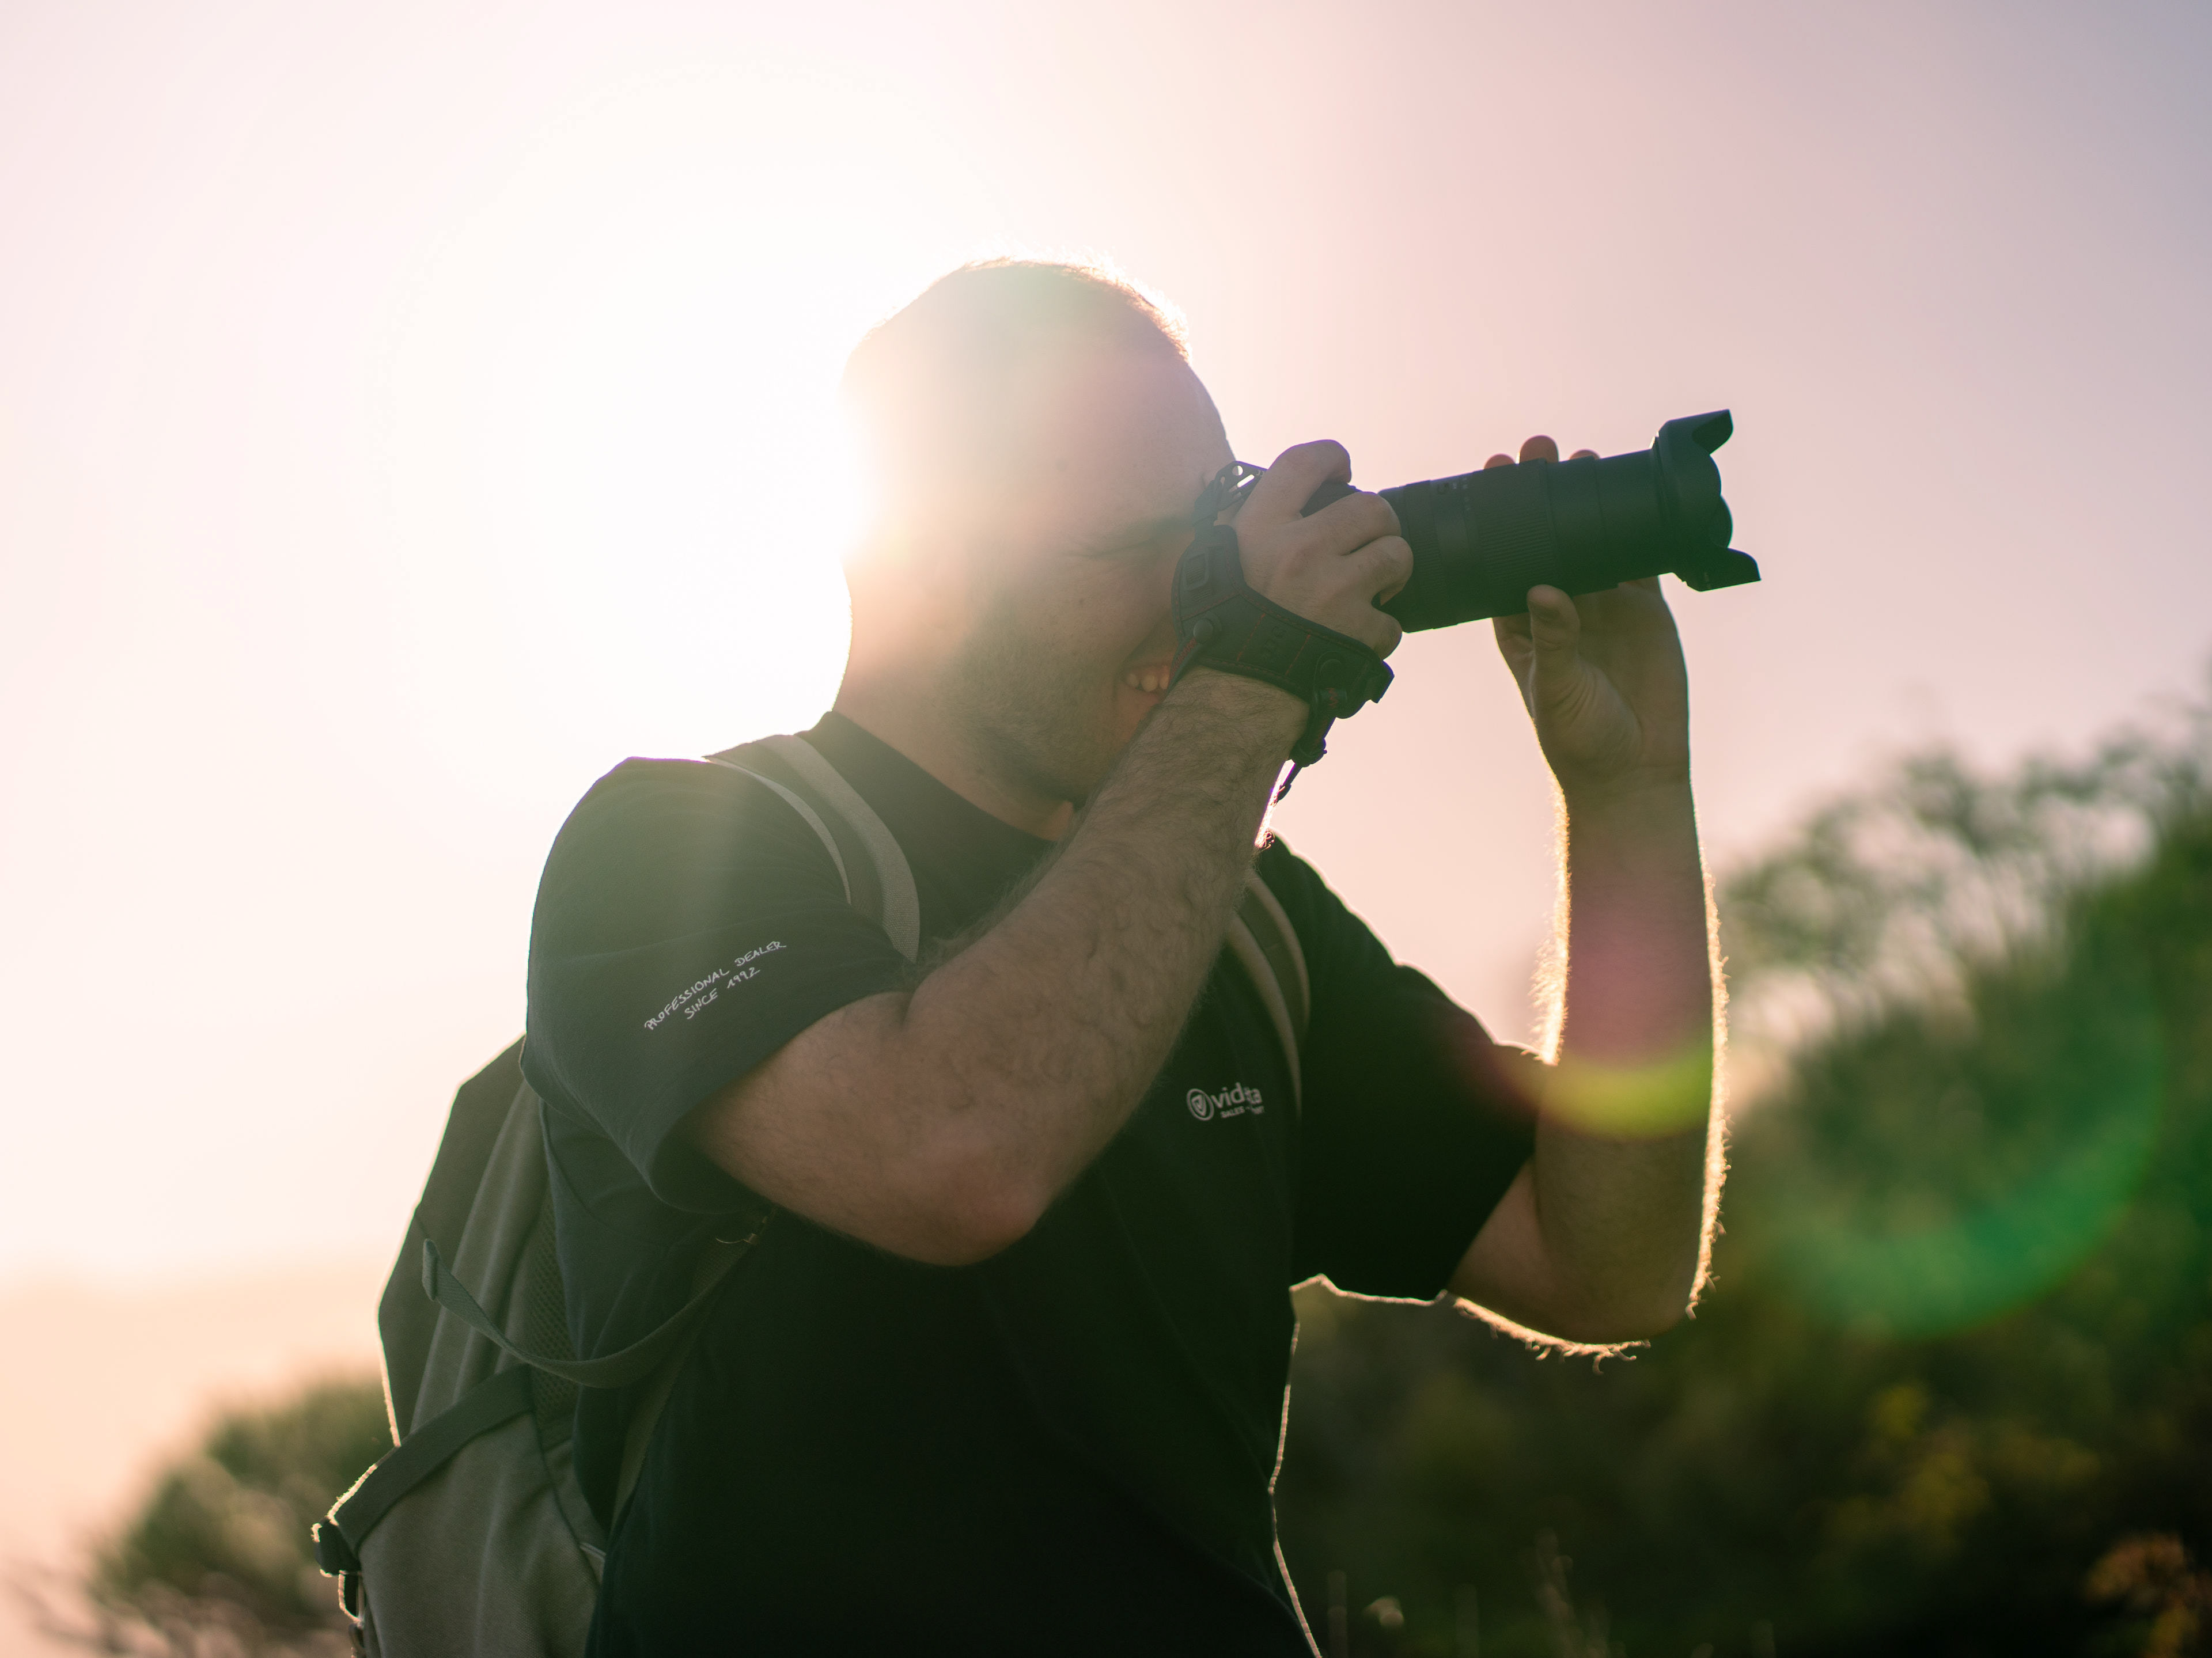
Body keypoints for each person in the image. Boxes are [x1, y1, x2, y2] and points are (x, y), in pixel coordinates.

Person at [521, 259, 1721, 1656]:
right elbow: (955, 1151)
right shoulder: (676, 847)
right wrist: (1257, 677)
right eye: (1129, 550)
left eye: (1215, 531)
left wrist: (1632, 800)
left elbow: (1613, 1265)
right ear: (919, 560)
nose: (1202, 599)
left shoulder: (1251, 919)